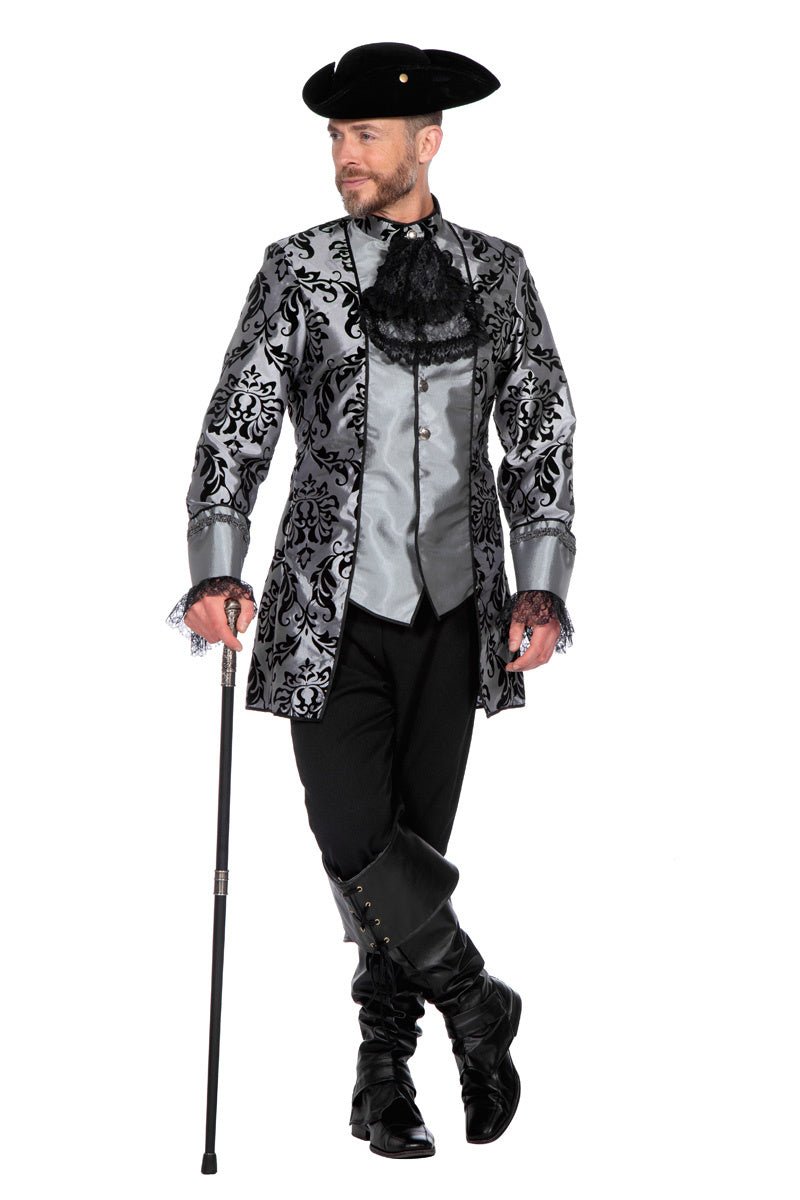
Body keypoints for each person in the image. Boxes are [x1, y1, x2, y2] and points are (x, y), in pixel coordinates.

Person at [168, 41, 577, 1159]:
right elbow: (238, 420)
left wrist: (541, 589)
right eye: (337, 137)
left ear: (426, 142)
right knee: (356, 836)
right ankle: (477, 1003)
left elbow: (540, 429)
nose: (345, 156)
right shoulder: (297, 269)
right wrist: (216, 565)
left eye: (366, 136)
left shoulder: (497, 274)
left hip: (458, 611)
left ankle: (382, 1074)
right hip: (327, 612)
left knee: (412, 847)